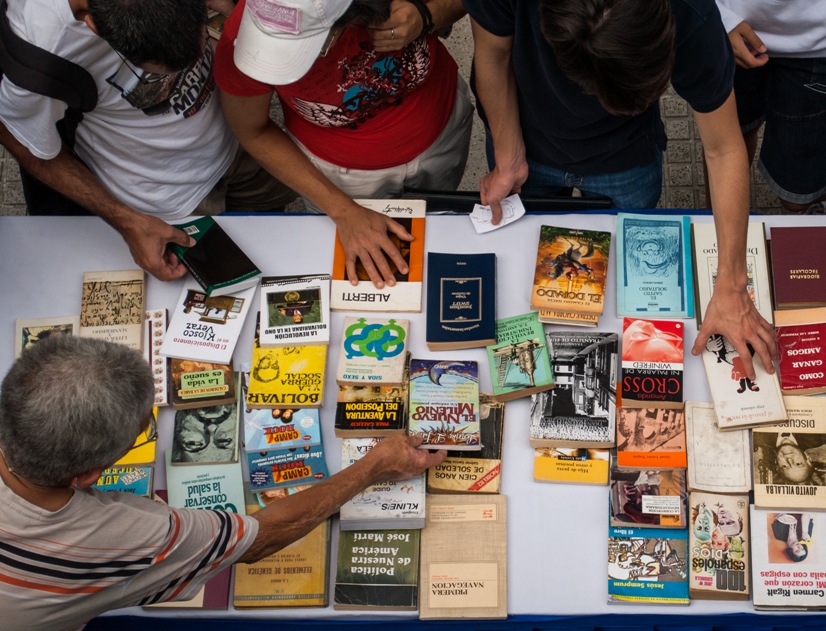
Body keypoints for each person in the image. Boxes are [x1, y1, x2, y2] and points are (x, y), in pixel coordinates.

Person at [0, 336, 445, 629]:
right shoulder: (127, 534)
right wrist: (374, 466)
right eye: (144, 427)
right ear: (89, 475)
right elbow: (259, 539)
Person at [463, 0, 776, 379]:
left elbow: (724, 148)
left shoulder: (691, 14)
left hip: (628, 157)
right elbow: (493, 55)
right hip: (527, 138)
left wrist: (731, 284)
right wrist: (508, 153)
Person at [0, 0, 298, 282]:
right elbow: (22, 140)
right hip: (171, 199)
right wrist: (126, 221)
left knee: (278, 243)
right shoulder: (38, 53)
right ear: (94, 26)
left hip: (245, 144)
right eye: (163, 74)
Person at [214, 0, 472, 289]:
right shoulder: (241, 43)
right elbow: (252, 131)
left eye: (307, 49)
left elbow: (471, 7)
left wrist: (427, 15)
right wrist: (341, 210)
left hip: (441, 135)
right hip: (339, 177)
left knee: (441, 233)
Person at [714, 0, 826, 214]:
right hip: (725, 25)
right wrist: (716, 15)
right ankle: (713, 226)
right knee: (727, 146)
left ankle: (822, 192)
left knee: (798, 196)